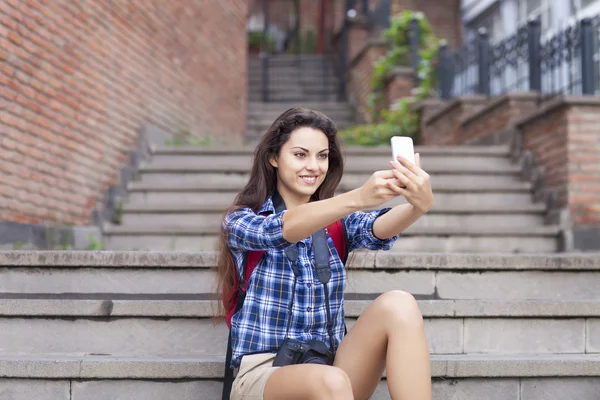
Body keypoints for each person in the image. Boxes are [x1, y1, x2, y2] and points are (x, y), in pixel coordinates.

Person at [216, 107, 433, 400]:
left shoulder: (336, 224)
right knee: (330, 381)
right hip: (264, 374)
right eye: (300, 154)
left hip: (331, 371)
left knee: (399, 304)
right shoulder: (242, 220)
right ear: (273, 158)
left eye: (322, 156)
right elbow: (280, 230)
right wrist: (357, 197)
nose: (314, 166)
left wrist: (418, 205)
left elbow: (378, 228)